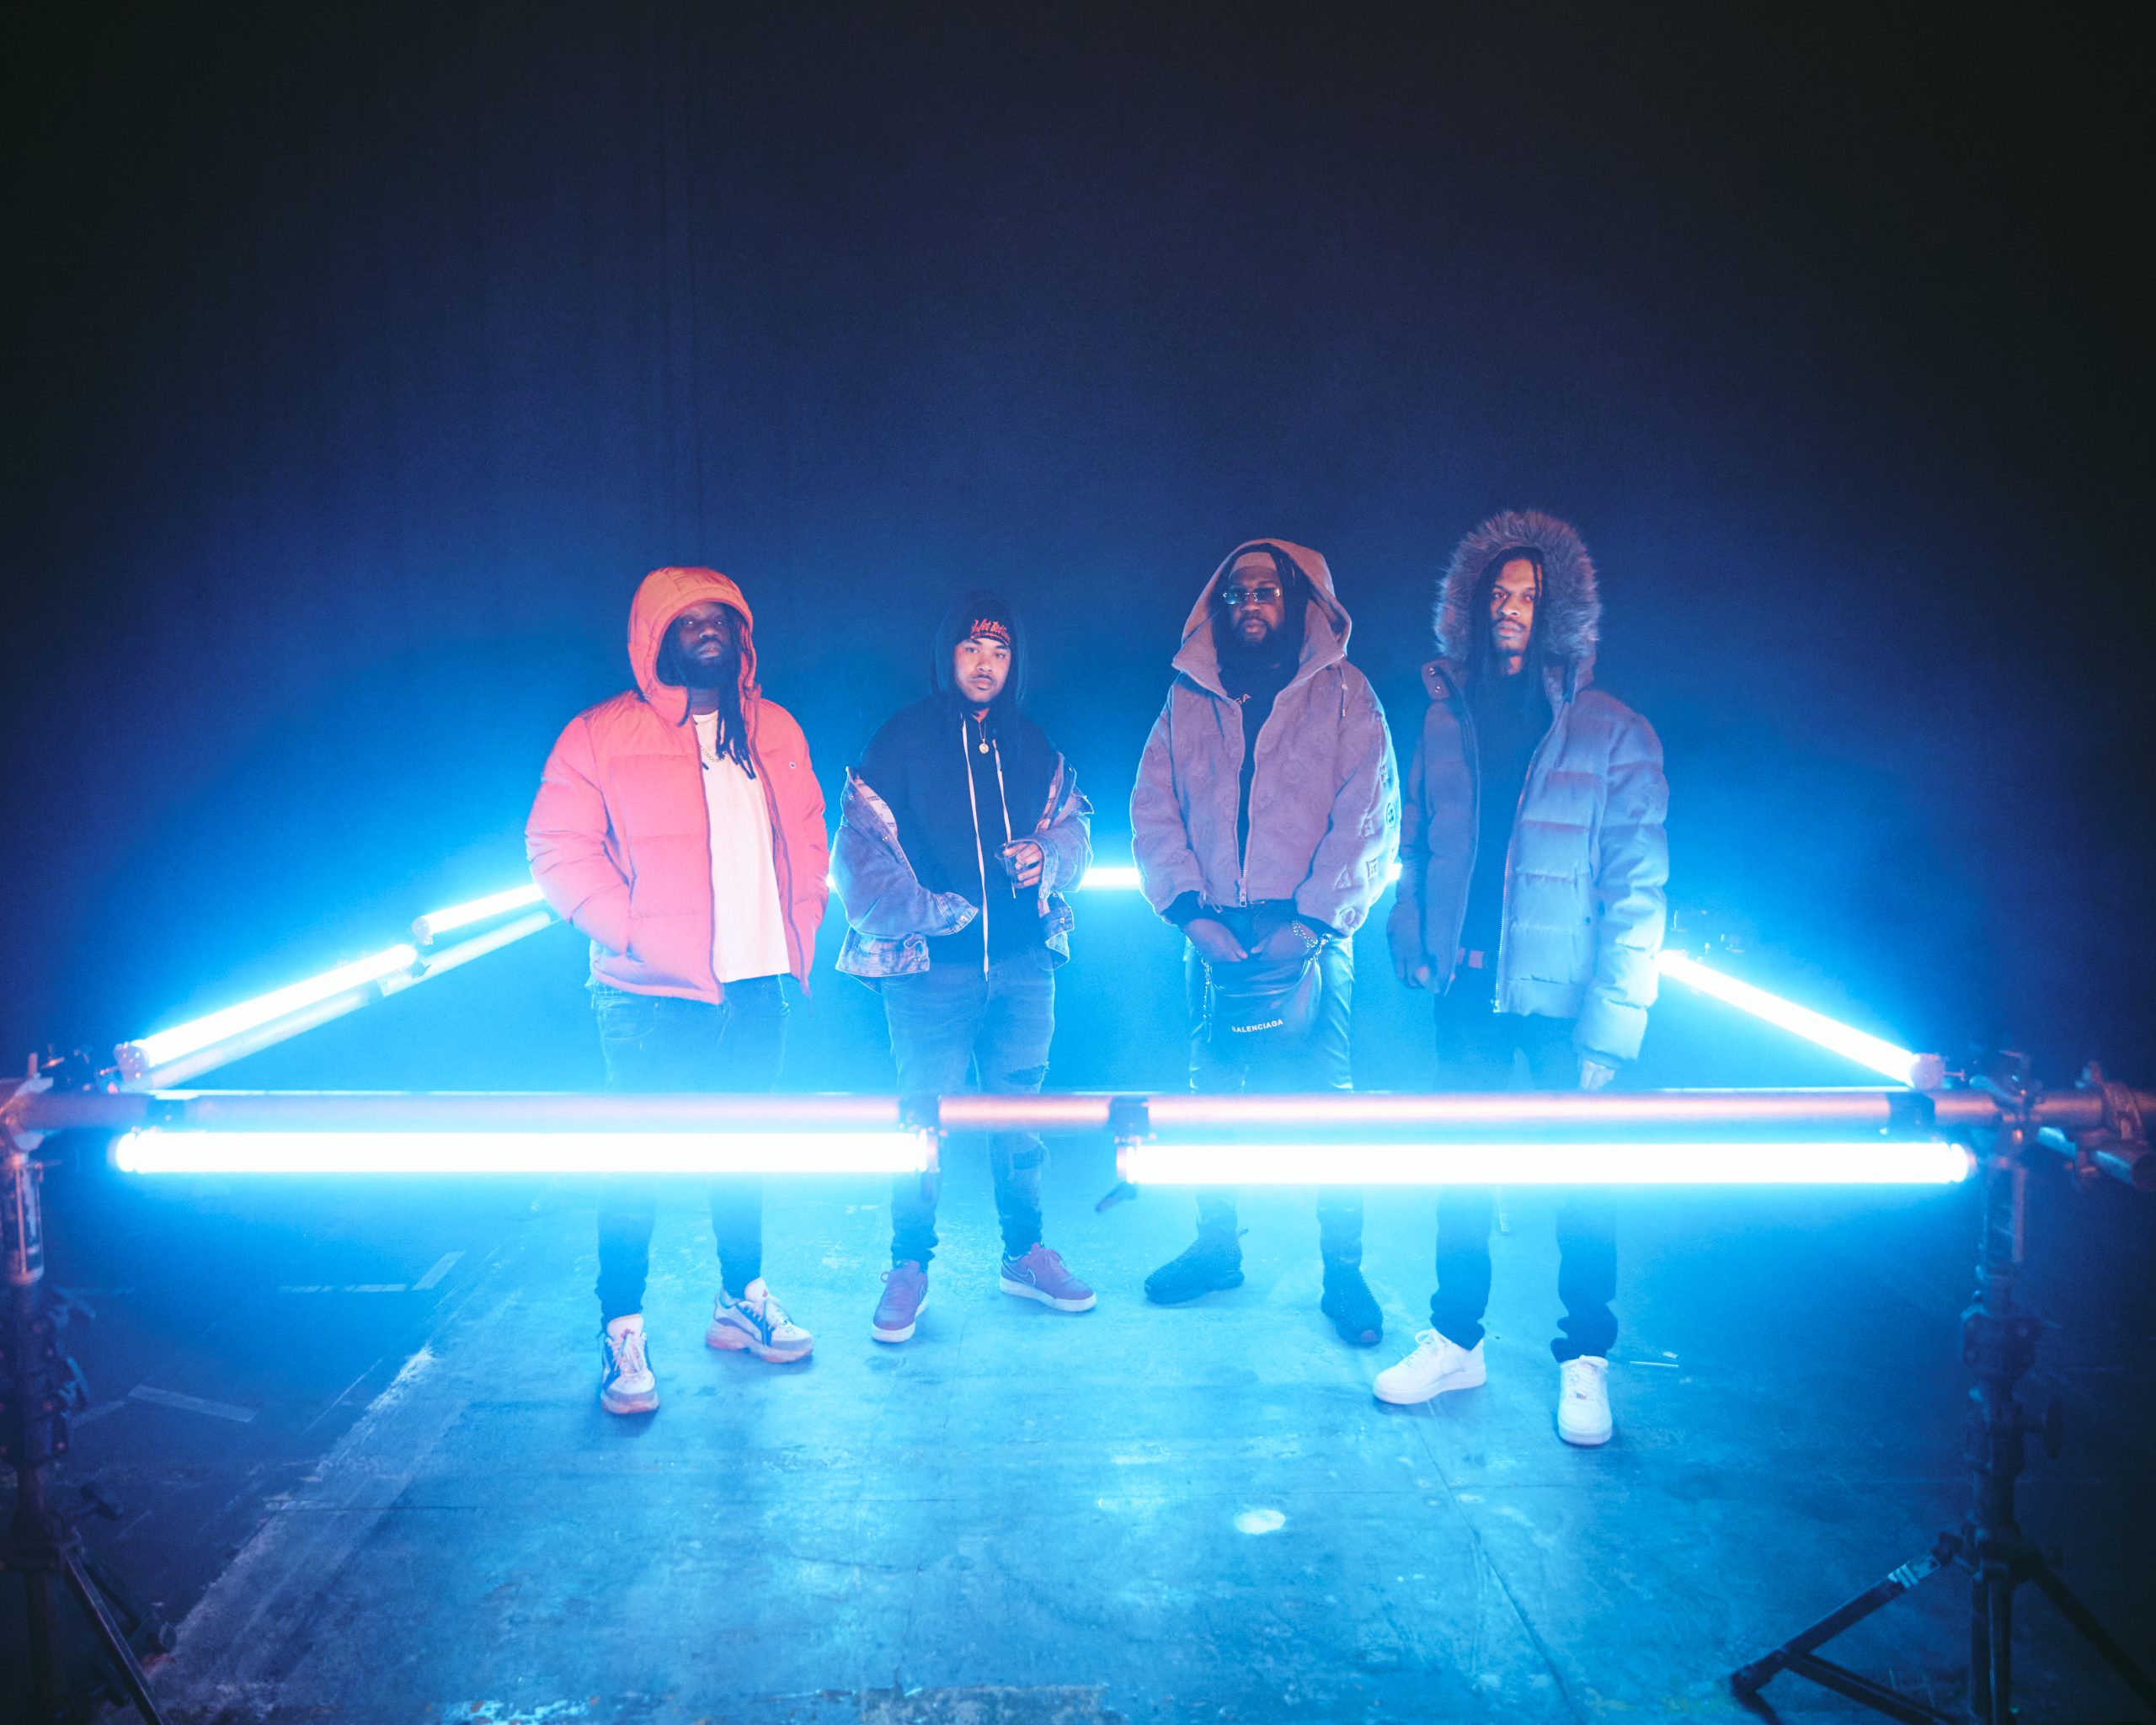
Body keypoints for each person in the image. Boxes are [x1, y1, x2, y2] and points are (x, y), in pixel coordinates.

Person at [1377, 510, 1668, 1446]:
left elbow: (1636, 886)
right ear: (1469, 606)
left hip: (1561, 1002)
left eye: (1527, 596)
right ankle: (1457, 1336)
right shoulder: (1442, 716)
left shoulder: (1615, 731)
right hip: (1463, 988)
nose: (1509, 609)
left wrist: (1611, 1028)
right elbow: (1415, 838)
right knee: (1459, 1167)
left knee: (1582, 1179)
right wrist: (1412, 929)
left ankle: (1585, 1356)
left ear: (1559, 613)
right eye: (1496, 594)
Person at [527, 566, 830, 1416]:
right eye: (686, 617)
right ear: (651, 635)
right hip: (646, 995)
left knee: (740, 1152)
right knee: (639, 1165)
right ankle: (622, 1327)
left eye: (720, 617)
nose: (705, 629)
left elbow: (808, 833)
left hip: (756, 982)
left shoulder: (774, 728)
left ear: (742, 634)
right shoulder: (599, 734)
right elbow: (556, 848)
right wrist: (636, 931)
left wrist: (797, 924)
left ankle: (741, 1298)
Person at [1129, 541, 1399, 1346]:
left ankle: (1342, 1272)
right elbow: (1153, 808)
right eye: (1238, 593)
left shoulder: (1348, 696)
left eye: (1268, 592)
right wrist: (1189, 915)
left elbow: (1368, 816)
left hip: (1312, 939)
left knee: (1330, 1111)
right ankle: (1218, 1250)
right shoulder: (1187, 700)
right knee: (1211, 1100)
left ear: (1302, 602)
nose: (1252, 605)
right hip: (1214, 932)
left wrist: (1312, 924)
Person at [834, 592, 1096, 1343]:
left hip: (1023, 969)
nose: (986, 665)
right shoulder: (902, 740)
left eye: (1001, 651)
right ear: (948, 655)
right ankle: (909, 1266)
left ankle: (1023, 1255)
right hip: (929, 977)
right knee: (921, 1122)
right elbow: (860, 857)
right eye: (973, 649)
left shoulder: (1033, 743)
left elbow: (1077, 831)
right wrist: (935, 912)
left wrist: (1045, 855)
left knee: (1020, 1120)